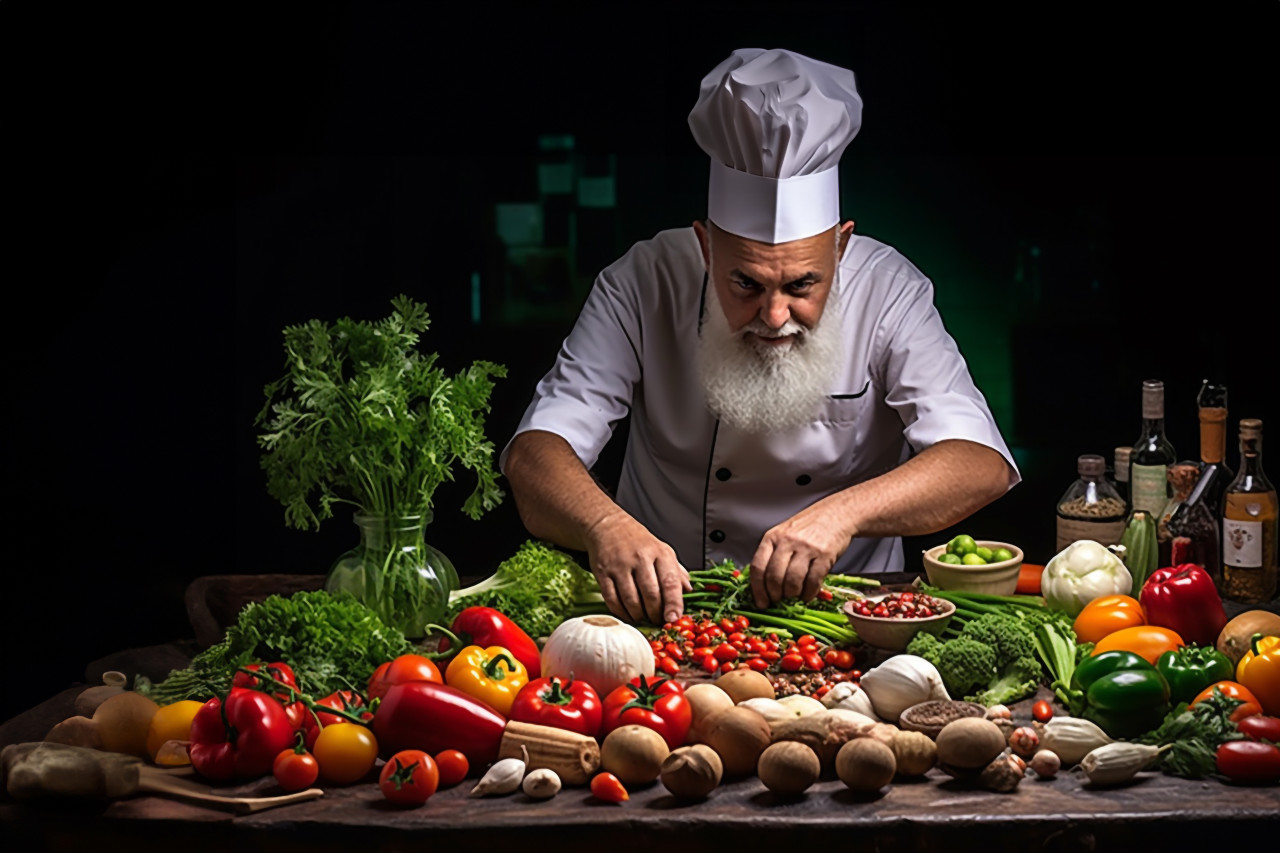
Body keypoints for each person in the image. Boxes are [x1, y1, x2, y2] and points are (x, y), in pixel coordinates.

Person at [500, 47, 1020, 627]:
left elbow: (979, 461)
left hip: (844, 617)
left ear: (841, 247)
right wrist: (604, 524)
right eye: (744, 282)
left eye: (802, 284)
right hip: (669, 612)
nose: (775, 315)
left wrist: (841, 513)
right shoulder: (642, 282)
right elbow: (535, 454)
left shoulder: (889, 290)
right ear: (705, 246)